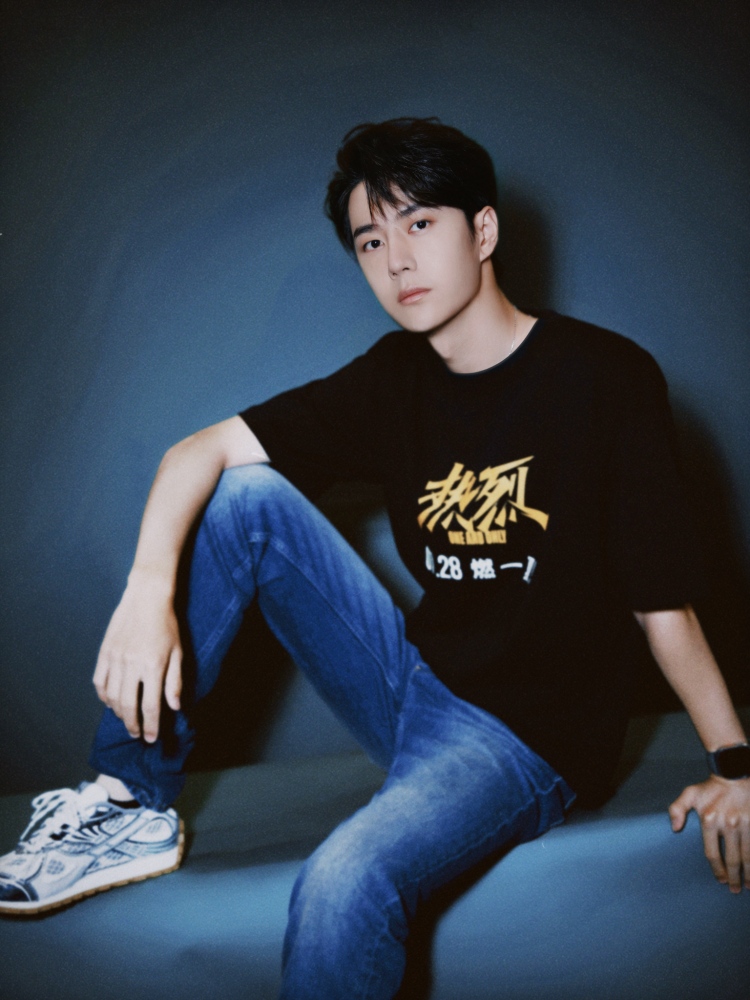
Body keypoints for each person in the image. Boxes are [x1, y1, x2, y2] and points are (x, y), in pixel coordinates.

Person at [1, 117, 748, 997]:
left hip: (524, 743)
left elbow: (661, 602)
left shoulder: (605, 377)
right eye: (370, 239)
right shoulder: (394, 378)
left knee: (341, 880)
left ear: (483, 230)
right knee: (245, 496)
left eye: (420, 223)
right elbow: (197, 451)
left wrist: (735, 764)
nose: (397, 260)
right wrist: (146, 593)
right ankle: (130, 799)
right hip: (412, 684)